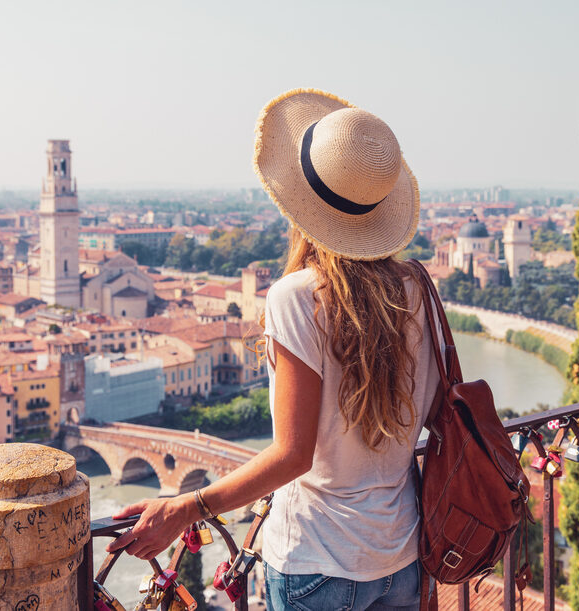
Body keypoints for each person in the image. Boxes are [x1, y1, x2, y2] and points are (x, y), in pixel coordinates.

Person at [107, 88, 443, 610]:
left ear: (300, 206)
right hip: (401, 556)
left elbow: (292, 455)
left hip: (319, 561)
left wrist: (187, 507)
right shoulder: (418, 289)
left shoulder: (297, 297)